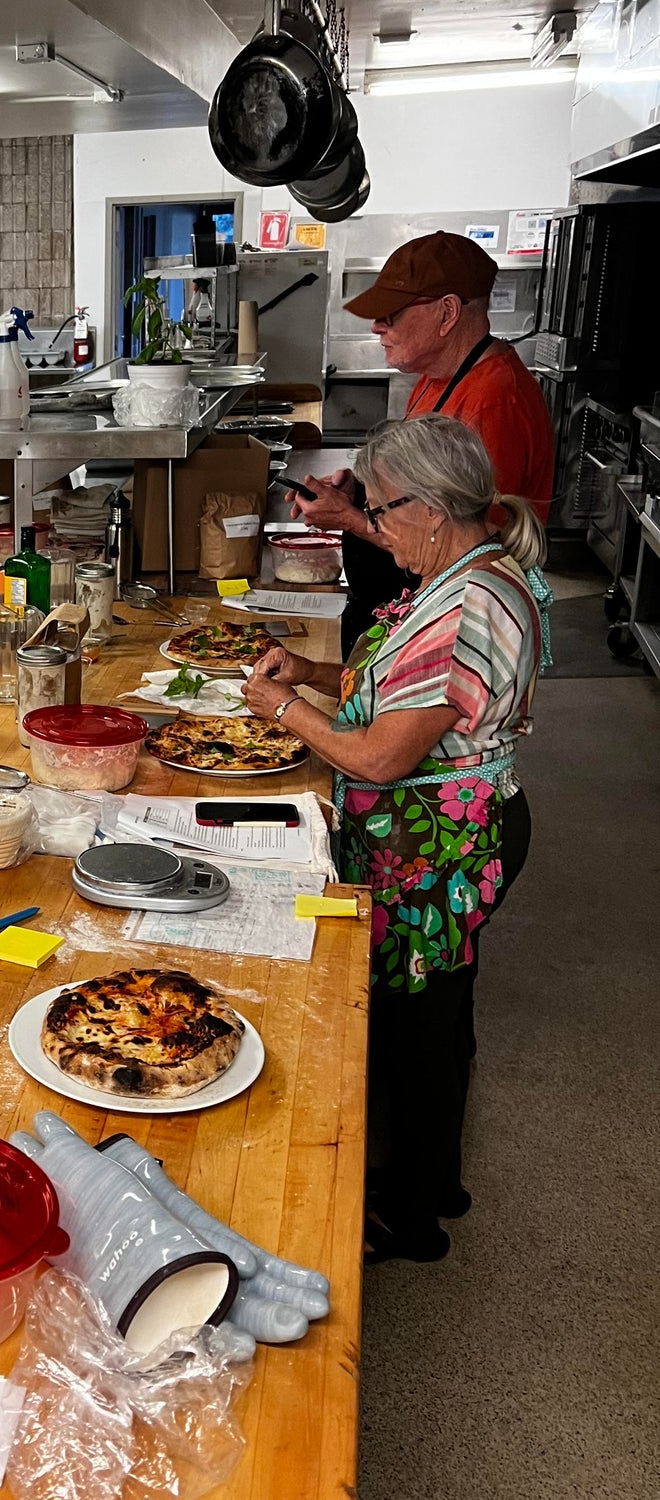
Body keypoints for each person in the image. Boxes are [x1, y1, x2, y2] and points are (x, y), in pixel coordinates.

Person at [242, 415, 549, 1265]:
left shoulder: (471, 604)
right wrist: (309, 673)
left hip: (442, 841)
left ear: (432, 506)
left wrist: (286, 712)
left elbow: (379, 753)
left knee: (418, 1028)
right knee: (437, 1012)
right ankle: (434, 1178)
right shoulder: (461, 568)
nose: (374, 527)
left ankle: (411, 1220)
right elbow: (397, 686)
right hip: (430, 834)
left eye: (380, 511)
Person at [293, 231, 555, 650]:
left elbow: (467, 553)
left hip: (449, 630)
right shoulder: (436, 380)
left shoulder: (492, 403)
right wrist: (363, 493)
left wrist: (353, 520)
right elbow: (418, 490)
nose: (377, 327)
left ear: (447, 312)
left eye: (390, 314)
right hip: (400, 607)